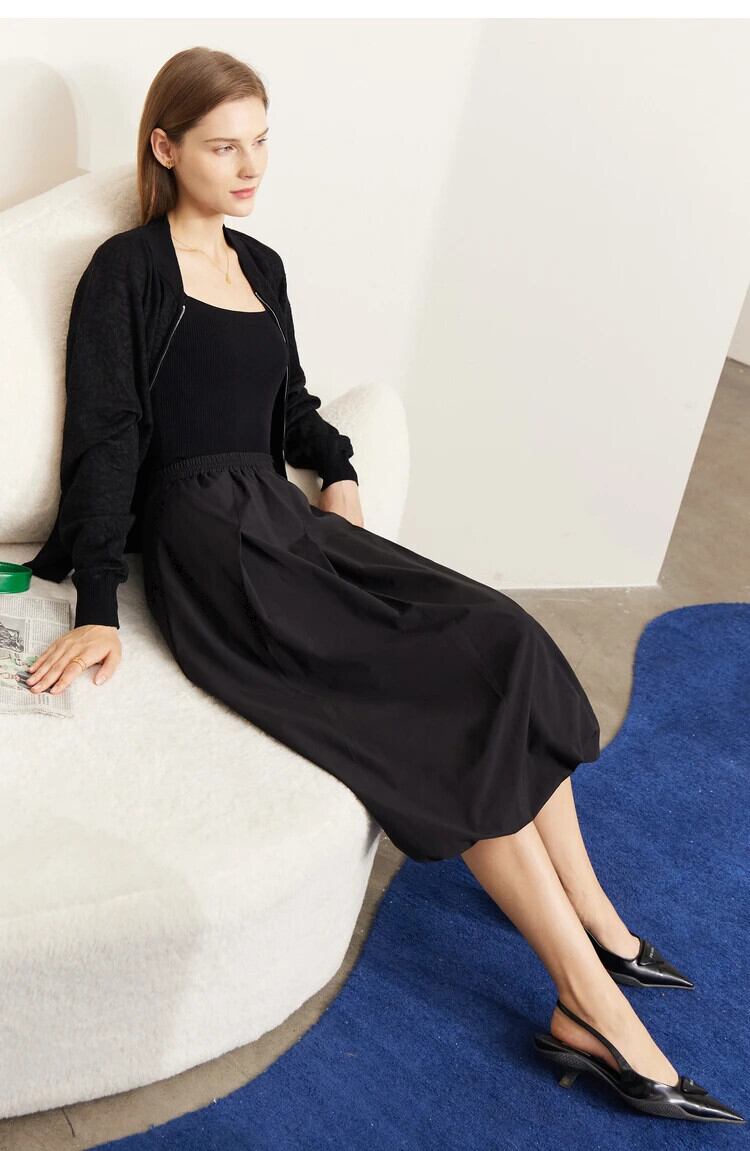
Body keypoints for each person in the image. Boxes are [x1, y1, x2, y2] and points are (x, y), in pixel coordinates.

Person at [22, 48, 743, 1124]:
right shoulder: (127, 272)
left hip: (283, 519)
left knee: (500, 631)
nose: (251, 166)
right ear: (165, 150)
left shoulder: (261, 266)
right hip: (211, 550)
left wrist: (340, 468)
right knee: (440, 706)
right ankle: (588, 1006)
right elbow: (107, 441)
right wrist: (96, 607)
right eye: (224, 147)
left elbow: (290, 404)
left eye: (262, 141)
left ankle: (597, 919)